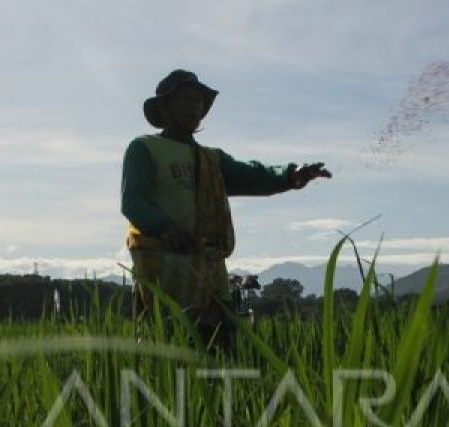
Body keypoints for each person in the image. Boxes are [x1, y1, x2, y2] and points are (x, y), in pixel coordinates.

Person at [121, 69, 331, 351]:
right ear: (166, 107)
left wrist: (291, 175)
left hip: (208, 265)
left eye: (199, 101)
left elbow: (253, 174)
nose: (195, 106)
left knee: (217, 342)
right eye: (186, 99)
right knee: (168, 341)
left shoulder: (212, 159)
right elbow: (133, 201)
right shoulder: (144, 148)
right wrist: (166, 229)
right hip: (163, 264)